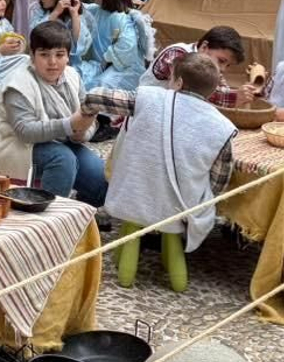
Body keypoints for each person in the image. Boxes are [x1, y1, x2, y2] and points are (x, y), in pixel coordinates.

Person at [101, 55, 238, 292]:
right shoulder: (223, 127)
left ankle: (125, 278)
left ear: (179, 82)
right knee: (174, 226)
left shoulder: (149, 97)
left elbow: (98, 97)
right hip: (179, 209)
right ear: (212, 90)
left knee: (134, 218)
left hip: (133, 198)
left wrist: (84, 112)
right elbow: (219, 180)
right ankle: (178, 282)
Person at [0, 20, 108, 204]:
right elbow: (25, 132)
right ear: (32, 56)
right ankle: (46, 218)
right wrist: (71, 125)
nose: (52, 62)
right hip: (18, 146)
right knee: (62, 159)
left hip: (63, 141)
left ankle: (79, 215)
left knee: (102, 180)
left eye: (60, 55)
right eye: (44, 55)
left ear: (68, 57)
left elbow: (88, 117)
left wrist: (82, 132)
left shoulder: (72, 75)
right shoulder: (17, 84)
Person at [80, 0, 155, 92]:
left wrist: (106, 59)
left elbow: (127, 46)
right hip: (100, 65)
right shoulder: (97, 10)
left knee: (101, 85)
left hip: (122, 68)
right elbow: (83, 8)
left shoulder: (120, 18)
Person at [141, 24, 248, 107]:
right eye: (221, 61)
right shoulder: (177, 53)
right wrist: (233, 97)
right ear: (204, 47)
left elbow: (222, 87)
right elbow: (193, 88)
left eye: (228, 65)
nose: (223, 68)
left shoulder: (209, 67)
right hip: (148, 108)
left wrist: (245, 94)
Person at [31, 0, 88, 71]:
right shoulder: (41, 9)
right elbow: (34, 33)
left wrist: (74, 15)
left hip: (69, 65)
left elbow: (79, 46)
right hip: (42, 62)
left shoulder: (73, 13)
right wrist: (55, 13)